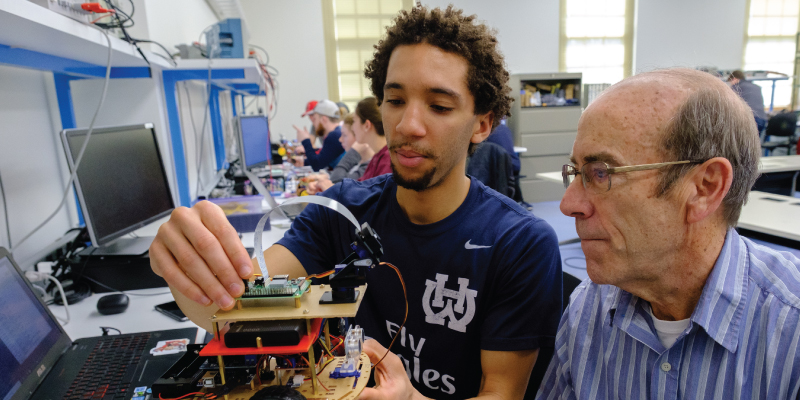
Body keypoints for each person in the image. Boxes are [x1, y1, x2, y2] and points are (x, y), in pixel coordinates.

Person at [150, 4, 562, 400]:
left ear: (483, 123)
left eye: (438, 106)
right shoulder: (341, 212)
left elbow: (502, 393)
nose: (407, 125)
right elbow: (231, 308)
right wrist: (184, 267)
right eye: (395, 100)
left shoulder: (519, 244)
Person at [536, 68, 800, 399]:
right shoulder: (588, 307)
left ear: (705, 187)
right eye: (576, 172)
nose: (569, 204)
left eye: (601, 173)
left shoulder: (790, 333)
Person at [294, 99, 345, 171]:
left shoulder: (334, 136)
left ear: (324, 119)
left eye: (315, 119)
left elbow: (317, 165)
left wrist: (305, 140)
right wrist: (304, 162)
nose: (313, 124)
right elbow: (324, 158)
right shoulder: (337, 132)